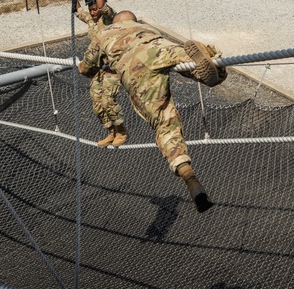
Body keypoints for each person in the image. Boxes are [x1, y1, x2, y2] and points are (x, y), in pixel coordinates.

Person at [77, 11, 226, 213]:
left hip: (134, 64)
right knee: (189, 63)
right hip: (161, 47)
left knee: (164, 121)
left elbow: (85, 69)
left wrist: (93, 64)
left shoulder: (106, 32)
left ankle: (188, 175)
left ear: (117, 21)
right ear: (133, 21)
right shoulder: (148, 29)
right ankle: (212, 69)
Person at [75, 0, 128, 148]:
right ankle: (111, 132)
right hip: (99, 69)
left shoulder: (108, 18)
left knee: (107, 101)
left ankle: (122, 131)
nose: (93, 12)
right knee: (97, 104)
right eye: (91, 10)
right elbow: (77, 12)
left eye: (94, 9)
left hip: (112, 67)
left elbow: (103, 6)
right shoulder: (92, 19)